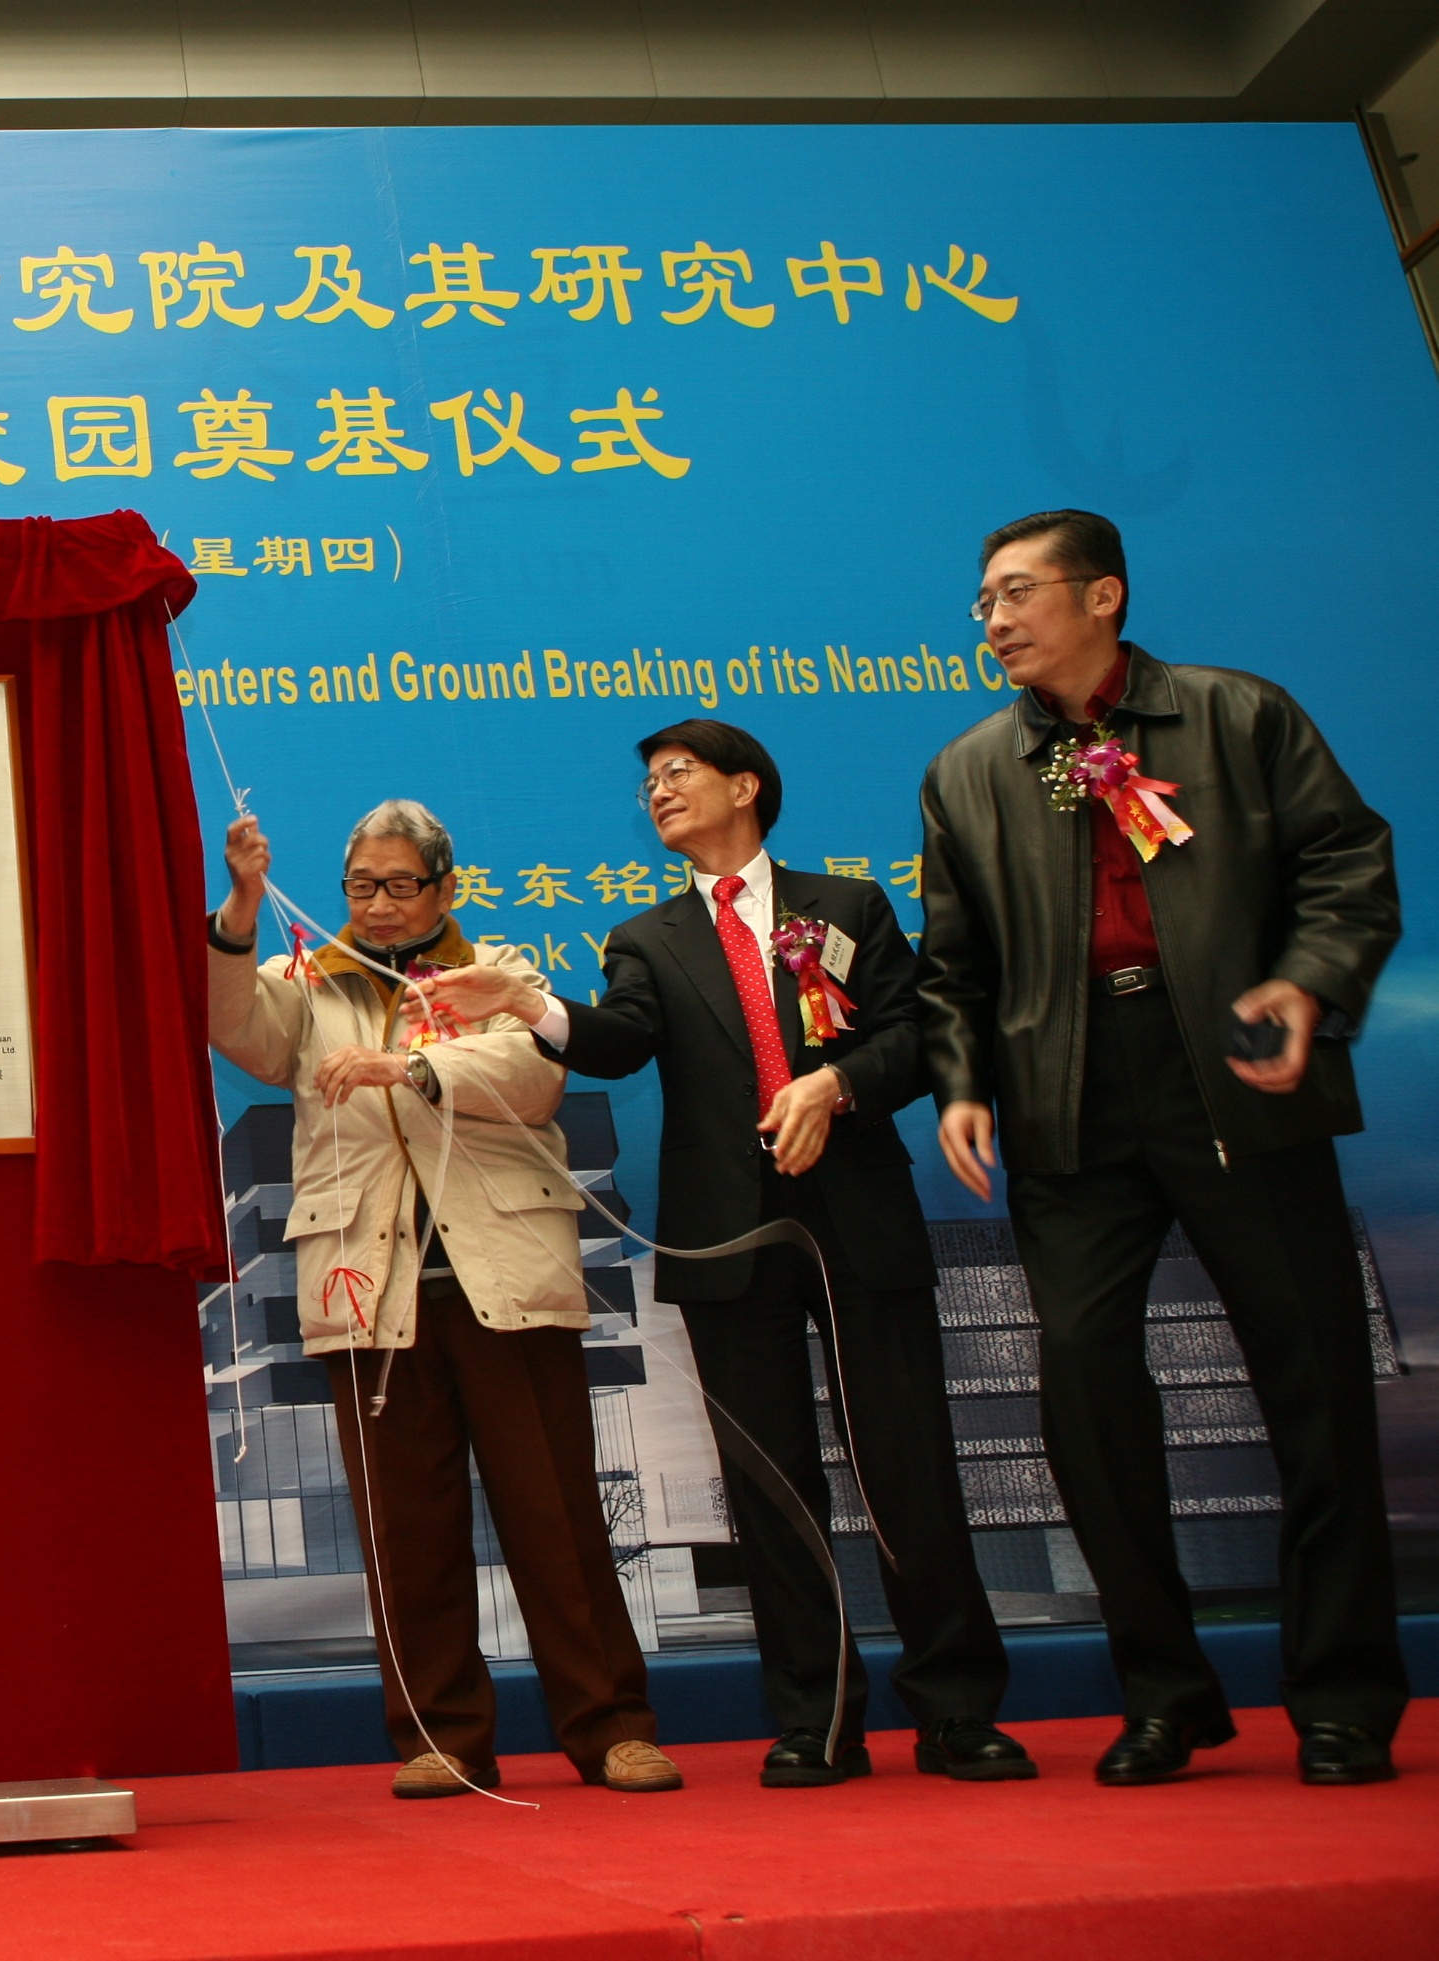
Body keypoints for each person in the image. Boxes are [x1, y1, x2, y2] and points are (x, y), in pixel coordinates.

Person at [429, 722, 1027, 1788]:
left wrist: (830, 1084)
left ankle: (955, 1710)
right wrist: (525, 1004)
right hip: (725, 1235)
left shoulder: (844, 906)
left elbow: (910, 1033)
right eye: (647, 782)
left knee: (908, 1466)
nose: (656, 792)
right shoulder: (646, 935)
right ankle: (814, 1717)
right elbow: (615, 1038)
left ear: (744, 785)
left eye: (678, 774)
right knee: (770, 1487)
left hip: (856, 1217)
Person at [922, 509, 1404, 1786]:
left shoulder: (1237, 716)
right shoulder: (968, 769)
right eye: (981, 603)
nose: (994, 620)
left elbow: (1347, 860)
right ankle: (1166, 1690)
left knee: (1310, 1386)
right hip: (1068, 1099)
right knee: (1081, 1388)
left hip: (1237, 1075)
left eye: (1017, 593)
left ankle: (1342, 1694)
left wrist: (1308, 981)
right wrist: (962, 1083)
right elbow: (950, 966)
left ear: (1103, 596)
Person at [210, 799, 680, 1798]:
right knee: (405, 1527)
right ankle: (439, 1732)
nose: (377, 906)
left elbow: (530, 1072)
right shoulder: (303, 981)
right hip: (368, 1288)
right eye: (360, 886)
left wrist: (408, 1063)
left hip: (500, 1276)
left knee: (553, 1515)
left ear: (442, 887)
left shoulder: (493, 968)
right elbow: (230, 1026)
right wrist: (243, 905)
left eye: (398, 885)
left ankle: (609, 1726)